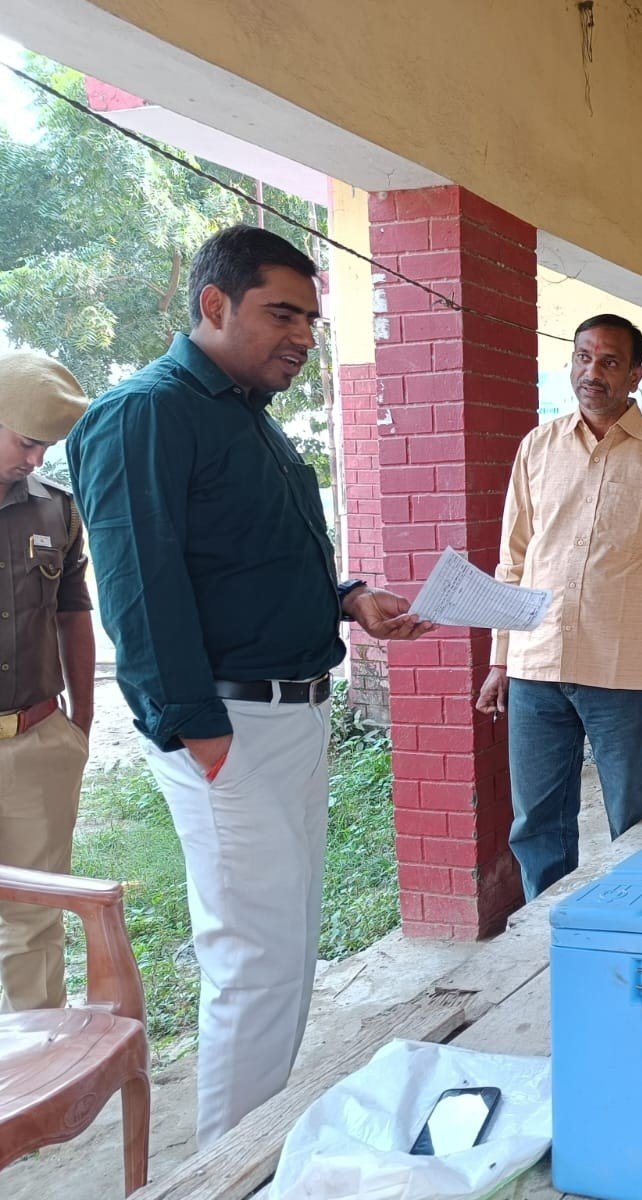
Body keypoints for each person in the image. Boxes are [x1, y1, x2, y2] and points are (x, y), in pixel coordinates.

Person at [66, 224, 430, 1146]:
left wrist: (349, 598)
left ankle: (261, 1148)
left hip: (292, 715)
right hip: (226, 723)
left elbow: (250, 563)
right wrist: (198, 730)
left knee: (286, 948)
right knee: (254, 960)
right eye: (282, 314)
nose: (302, 336)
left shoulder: (247, 416)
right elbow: (140, 588)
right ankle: (226, 1166)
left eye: (310, 319)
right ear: (214, 304)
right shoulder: (146, 413)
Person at [475, 314, 642, 899]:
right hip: (536, 668)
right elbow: (513, 562)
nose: (592, 372)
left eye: (609, 362)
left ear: (635, 375)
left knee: (635, 823)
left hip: (622, 674)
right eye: (583, 357)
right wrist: (501, 658)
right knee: (536, 826)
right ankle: (550, 933)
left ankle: (630, 929)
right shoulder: (537, 448)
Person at [0, 351, 93, 1012]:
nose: (36, 459)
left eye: (46, 448)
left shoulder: (56, 511)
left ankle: (38, 1067)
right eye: (27, 442)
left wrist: (79, 722)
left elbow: (73, 614)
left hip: (35, 742)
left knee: (35, 922)